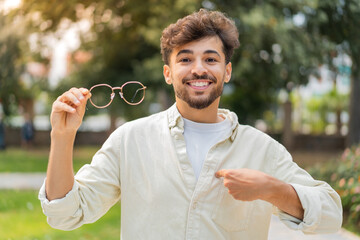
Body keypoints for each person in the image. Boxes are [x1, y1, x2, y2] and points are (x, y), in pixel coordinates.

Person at [39, 9, 342, 239]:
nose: (199, 69)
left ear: (227, 71)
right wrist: (62, 138)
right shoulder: (130, 140)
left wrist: (272, 189)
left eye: (211, 59)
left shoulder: (262, 150)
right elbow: (65, 214)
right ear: (168, 73)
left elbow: (331, 213)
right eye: (185, 59)